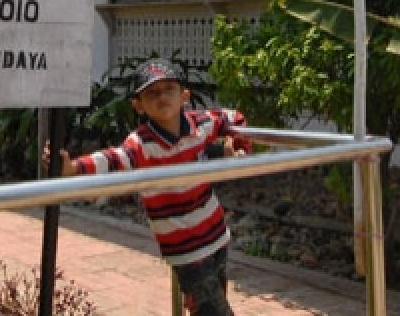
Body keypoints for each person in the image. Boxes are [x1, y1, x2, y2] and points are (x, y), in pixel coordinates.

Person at [44, 59, 251, 316]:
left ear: (184, 95)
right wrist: (73, 168)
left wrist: (237, 145)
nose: (162, 97)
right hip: (185, 250)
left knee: (210, 303)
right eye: (152, 93)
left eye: (169, 89)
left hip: (216, 235)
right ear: (138, 105)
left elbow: (234, 118)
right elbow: (112, 159)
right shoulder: (142, 144)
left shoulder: (200, 125)